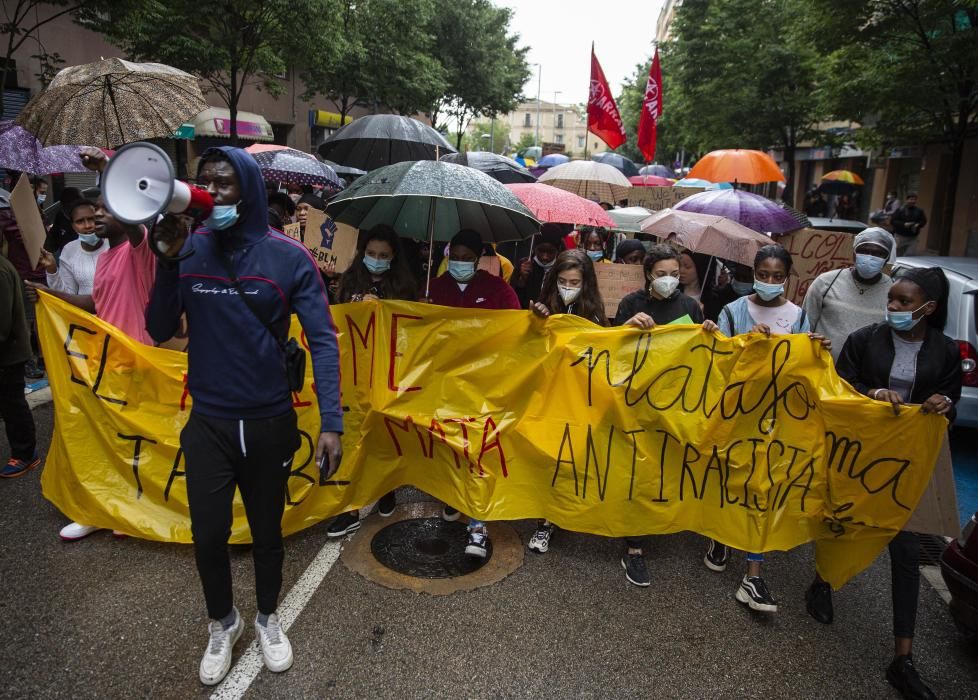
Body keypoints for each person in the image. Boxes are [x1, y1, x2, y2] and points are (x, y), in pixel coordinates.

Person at [145, 146, 343, 685]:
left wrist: (331, 423)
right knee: (208, 536)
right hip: (208, 421)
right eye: (204, 180)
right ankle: (223, 623)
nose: (212, 191)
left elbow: (324, 343)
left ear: (249, 191)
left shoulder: (288, 258)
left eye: (225, 184)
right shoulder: (188, 248)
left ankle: (268, 618)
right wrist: (165, 263)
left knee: (266, 534)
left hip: (268, 420)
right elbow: (159, 327)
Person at [808, 266, 960, 700]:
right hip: (859, 458)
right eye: (890, 300)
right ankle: (823, 581)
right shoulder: (864, 340)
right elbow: (839, 386)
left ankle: (903, 658)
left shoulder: (946, 351)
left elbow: (952, 400)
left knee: (907, 550)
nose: (892, 307)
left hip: (907, 467)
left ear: (928, 309)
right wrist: (872, 395)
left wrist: (942, 403)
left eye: (903, 302)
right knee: (842, 523)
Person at [703, 244, 830, 612]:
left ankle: (753, 576)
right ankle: (720, 534)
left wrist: (817, 351)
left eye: (778, 276)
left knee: (763, 490)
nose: (770, 282)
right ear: (753, 273)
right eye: (764, 274)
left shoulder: (798, 316)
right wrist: (745, 346)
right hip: (736, 414)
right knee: (729, 479)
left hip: (777, 421)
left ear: (787, 279)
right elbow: (721, 364)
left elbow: (804, 370)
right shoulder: (733, 311)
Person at [614, 243, 704, 586]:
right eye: (661, 274)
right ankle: (634, 547)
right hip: (637, 403)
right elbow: (615, 354)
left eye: (675, 275)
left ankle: (661, 522)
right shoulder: (631, 304)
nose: (669, 280)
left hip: (675, 403)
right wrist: (628, 327)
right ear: (647, 275)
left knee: (663, 470)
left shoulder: (690, 307)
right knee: (638, 470)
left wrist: (708, 332)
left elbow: (701, 356)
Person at [429, 229, 520, 558]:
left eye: (469, 258)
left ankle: (478, 526)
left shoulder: (497, 289)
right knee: (449, 444)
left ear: (479, 258)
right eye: (457, 257)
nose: (461, 263)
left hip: (485, 386)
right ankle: (453, 497)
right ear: (448, 254)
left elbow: (515, 328)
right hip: (443, 386)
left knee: (479, 450)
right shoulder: (434, 288)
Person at [326, 225, 417, 537]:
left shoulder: (403, 287)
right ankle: (348, 508)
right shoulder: (350, 280)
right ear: (362, 253)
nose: (376, 260)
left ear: (393, 258)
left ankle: (386, 488)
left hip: (387, 375)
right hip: (353, 375)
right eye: (371, 254)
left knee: (382, 437)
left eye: (383, 256)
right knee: (351, 439)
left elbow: (410, 329)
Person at [525, 249, 607, 553]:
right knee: (545, 458)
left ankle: (553, 517)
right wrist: (537, 322)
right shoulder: (542, 307)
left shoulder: (595, 314)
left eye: (574, 281)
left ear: (585, 283)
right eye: (562, 280)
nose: (568, 286)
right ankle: (544, 520)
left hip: (578, 400)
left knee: (567, 459)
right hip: (545, 396)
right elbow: (526, 349)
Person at [803, 227, 895, 360]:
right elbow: (805, 327)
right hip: (822, 368)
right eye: (863, 251)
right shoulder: (826, 282)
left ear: (886, 259)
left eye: (877, 253)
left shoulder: (893, 292)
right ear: (854, 254)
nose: (869, 257)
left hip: (863, 376)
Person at [0, 250, 39, 477]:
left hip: (9, 355)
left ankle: (25, 454)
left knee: (12, 404)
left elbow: (2, 326)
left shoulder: (1, 270)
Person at [33, 199, 107, 313]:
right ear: (73, 226)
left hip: (117, 318)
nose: (87, 225)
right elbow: (67, 295)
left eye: (91, 219)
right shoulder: (69, 250)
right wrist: (52, 270)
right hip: (89, 322)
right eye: (80, 221)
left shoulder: (115, 245)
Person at [509, 224, 566, 308]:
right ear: (534, 248)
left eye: (550, 252)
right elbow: (512, 296)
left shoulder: (562, 268)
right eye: (541, 251)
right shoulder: (524, 264)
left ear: (557, 250)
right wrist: (522, 279)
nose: (545, 257)